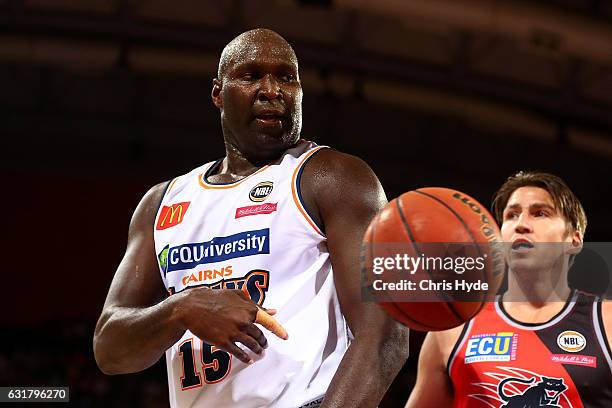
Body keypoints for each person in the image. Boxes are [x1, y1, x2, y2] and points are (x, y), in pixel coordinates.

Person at [93, 28, 409, 407]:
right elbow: (109, 349)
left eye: (286, 77)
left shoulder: (334, 177)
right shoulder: (161, 203)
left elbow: (386, 335)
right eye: (251, 75)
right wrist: (182, 308)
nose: (272, 90)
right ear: (217, 93)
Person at [405, 171, 612, 407]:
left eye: (540, 213)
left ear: (573, 240)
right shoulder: (455, 327)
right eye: (511, 215)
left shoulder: (606, 321)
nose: (521, 225)